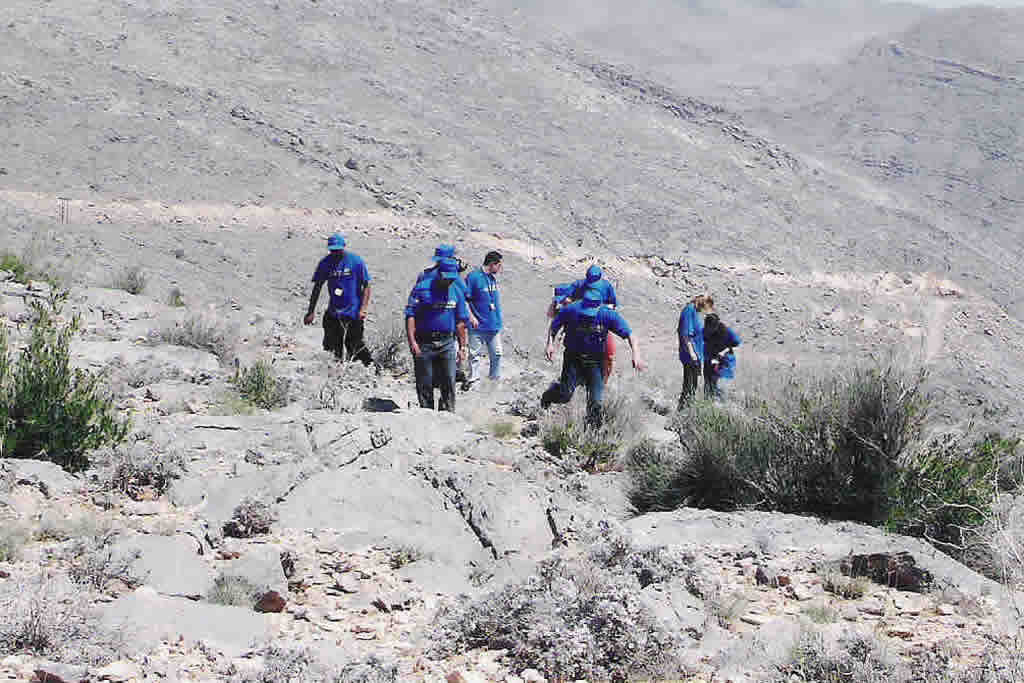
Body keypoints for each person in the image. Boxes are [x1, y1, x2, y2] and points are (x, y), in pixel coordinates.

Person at [541, 289, 645, 428]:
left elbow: (631, 335)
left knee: (595, 402)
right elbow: (554, 327)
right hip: (573, 358)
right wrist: (550, 344)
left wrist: (636, 355)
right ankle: (549, 395)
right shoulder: (571, 310)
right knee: (565, 395)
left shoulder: (607, 315)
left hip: (595, 361)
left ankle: (592, 433)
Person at [405, 258, 469, 411]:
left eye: (452, 278)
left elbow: (461, 321)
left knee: (449, 379)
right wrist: (412, 342)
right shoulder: (421, 289)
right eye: (446, 278)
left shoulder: (456, 291)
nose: (448, 282)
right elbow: (410, 315)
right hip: (424, 342)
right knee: (425, 381)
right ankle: (426, 413)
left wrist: (463, 346)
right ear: (439, 274)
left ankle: (448, 413)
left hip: (447, 342)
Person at [303, 232, 373, 365]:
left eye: (338, 250)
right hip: (334, 312)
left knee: (355, 345)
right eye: (333, 250)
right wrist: (311, 311)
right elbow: (317, 287)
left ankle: (369, 370)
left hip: (353, 312)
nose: (336, 253)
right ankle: (336, 373)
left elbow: (367, 286)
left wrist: (363, 309)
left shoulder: (356, 262)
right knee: (332, 349)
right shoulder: (325, 263)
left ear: (344, 247)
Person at [547, 265, 619, 383]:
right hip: (579, 324)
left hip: (600, 323)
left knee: (609, 355)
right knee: (576, 352)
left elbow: (613, 304)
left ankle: (603, 382)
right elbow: (562, 299)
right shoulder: (578, 285)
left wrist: (605, 308)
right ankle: (572, 379)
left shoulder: (607, 287)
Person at [463, 251, 504, 386]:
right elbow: (465, 299)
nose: (500, 268)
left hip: (493, 324)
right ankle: (473, 379)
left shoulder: (492, 278)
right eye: (499, 265)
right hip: (477, 325)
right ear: (492, 264)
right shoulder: (473, 277)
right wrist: (471, 316)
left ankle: (494, 379)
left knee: (497, 353)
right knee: (474, 354)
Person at [677, 293, 714, 408]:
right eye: (706, 307)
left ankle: (686, 412)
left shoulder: (694, 312)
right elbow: (685, 334)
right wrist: (692, 353)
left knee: (693, 387)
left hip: (696, 355)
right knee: (689, 387)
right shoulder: (689, 310)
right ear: (703, 303)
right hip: (689, 355)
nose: (705, 311)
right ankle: (682, 413)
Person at [702, 313, 741, 401]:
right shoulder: (704, 331)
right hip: (709, 360)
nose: (710, 329)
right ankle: (709, 406)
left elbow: (736, 342)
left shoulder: (726, 331)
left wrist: (723, 352)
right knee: (708, 387)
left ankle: (723, 406)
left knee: (721, 385)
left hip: (725, 362)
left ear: (716, 325)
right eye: (708, 327)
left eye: (712, 327)